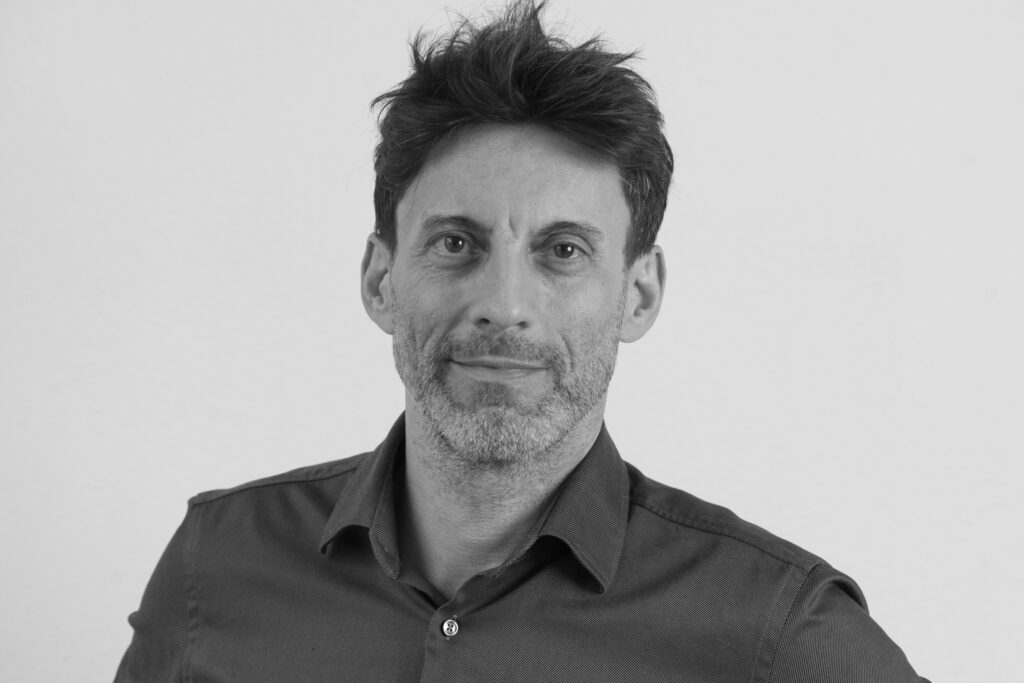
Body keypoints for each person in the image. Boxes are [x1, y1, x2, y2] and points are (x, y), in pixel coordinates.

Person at [116, 2, 929, 680]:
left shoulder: (778, 632)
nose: (504, 305)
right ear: (380, 278)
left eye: (562, 250)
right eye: (456, 243)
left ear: (639, 293)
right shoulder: (215, 566)